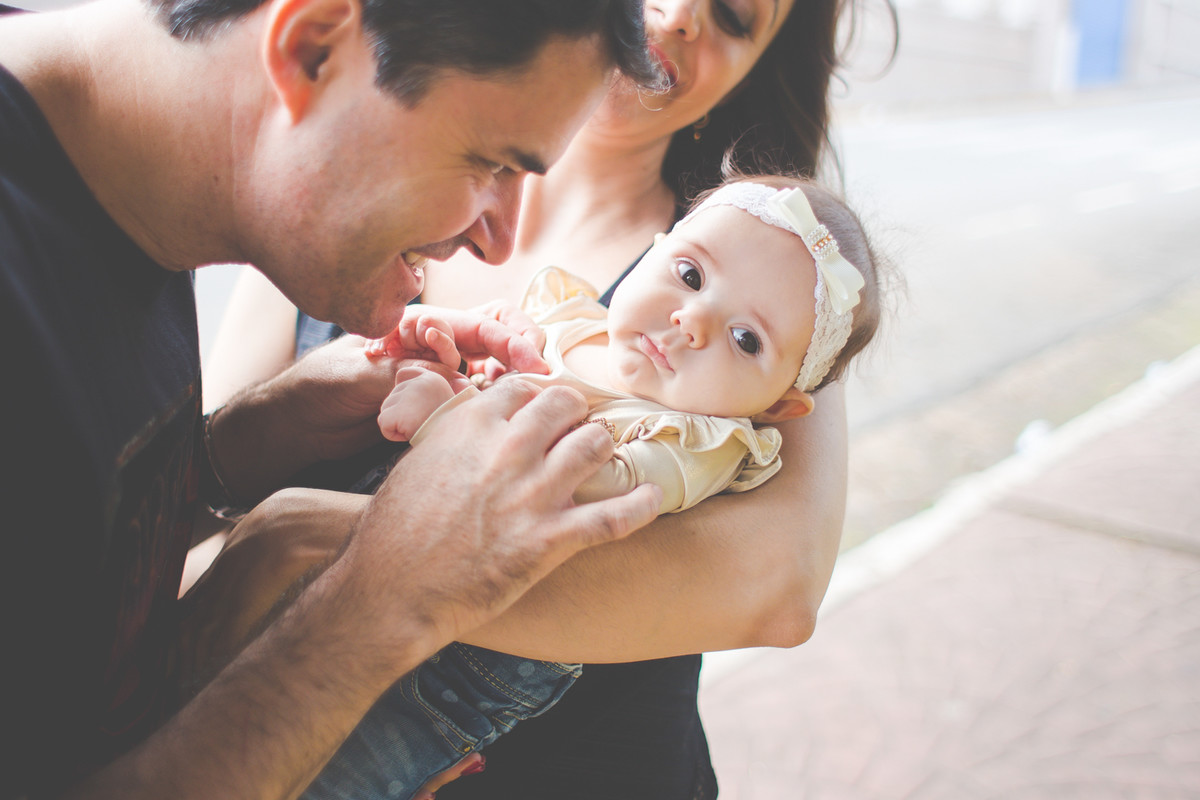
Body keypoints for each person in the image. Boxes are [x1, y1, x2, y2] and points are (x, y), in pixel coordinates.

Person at [205, 1, 899, 797]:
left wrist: (308, 538)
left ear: (761, 64)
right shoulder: (350, 163)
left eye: (735, 16)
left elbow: (778, 591)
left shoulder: (781, 279)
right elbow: (191, 497)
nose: (676, 18)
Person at [0, 0, 663, 797]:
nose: (500, 239)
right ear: (312, 48)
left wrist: (231, 450)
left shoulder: (116, 172)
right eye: (490, 163)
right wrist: (377, 608)